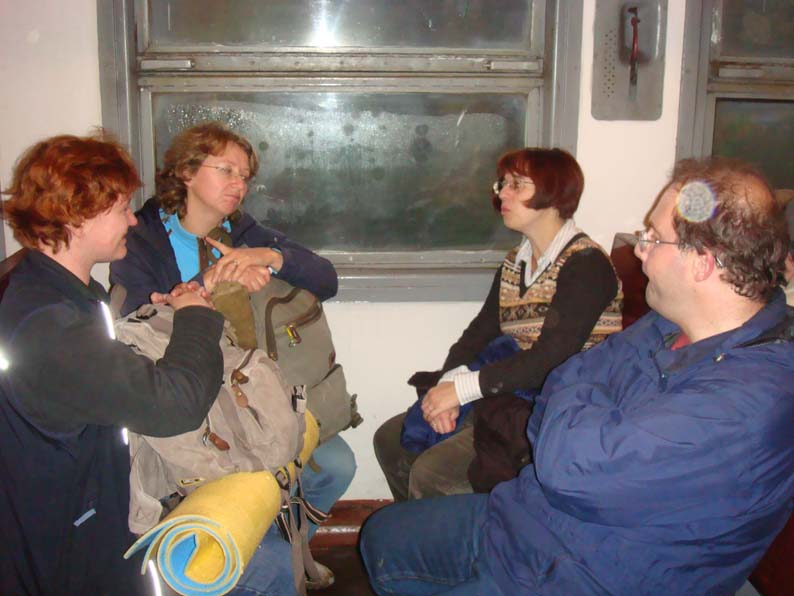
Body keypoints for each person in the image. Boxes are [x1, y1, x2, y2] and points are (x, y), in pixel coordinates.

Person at [360, 157, 794, 595]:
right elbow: (568, 375)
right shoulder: (665, 324)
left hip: (586, 574)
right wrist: (462, 384)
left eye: (652, 238)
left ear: (702, 263)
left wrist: (566, 400)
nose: (639, 250)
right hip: (531, 521)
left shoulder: (749, 401)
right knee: (382, 538)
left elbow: (566, 460)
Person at [0, 134, 294, 595]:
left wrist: (161, 313)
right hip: (73, 544)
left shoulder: (64, 292)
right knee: (267, 566)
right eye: (121, 209)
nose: (133, 220)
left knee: (268, 556)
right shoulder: (49, 325)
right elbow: (175, 406)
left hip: (103, 501)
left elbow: (105, 378)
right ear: (77, 216)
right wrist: (196, 318)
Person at [109, 122, 355, 575]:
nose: (238, 184)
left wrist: (267, 257)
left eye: (245, 176)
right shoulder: (141, 240)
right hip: (194, 406)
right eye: (226, 170)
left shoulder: (243, 231)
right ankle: (257, 563)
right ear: (186, 172)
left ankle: (284, 554)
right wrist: (213, 280)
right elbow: (139, 322)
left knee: (338, 465)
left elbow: (327, 279)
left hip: (250, 393)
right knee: (254, 487)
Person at [373, 148, 623, 500]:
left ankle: (474, 531)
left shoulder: (586, 265)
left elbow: (550, 359)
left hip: (559, 408)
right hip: (510, 395)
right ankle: (419, 528)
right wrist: (447, 388)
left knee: (433, 474)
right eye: (502, 184)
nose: (502, 193)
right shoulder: (515, 262)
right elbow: (479, 333)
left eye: (516, 185)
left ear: (555, 194)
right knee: (390, 441)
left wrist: (461, 390)